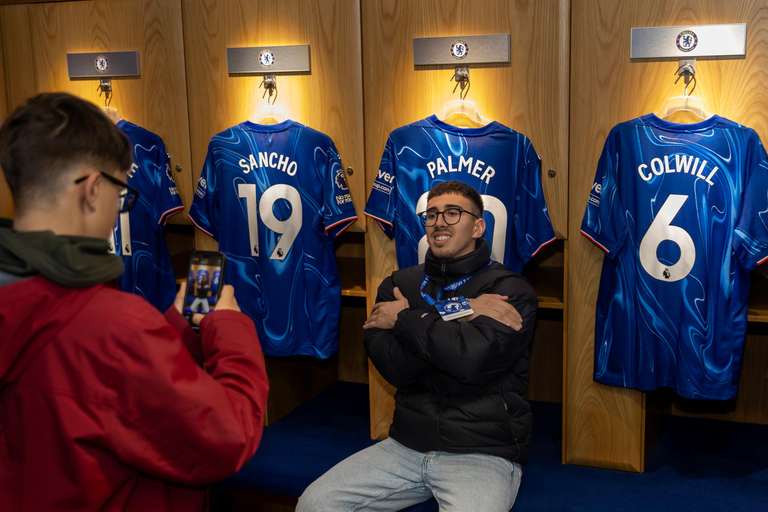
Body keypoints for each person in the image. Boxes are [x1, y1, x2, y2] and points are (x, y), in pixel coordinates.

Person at [0, 92, 269, 511]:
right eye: (121, 193)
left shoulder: (38, 300)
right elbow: (228, 437)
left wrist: (176, 328)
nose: (118, 208)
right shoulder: (113, 326)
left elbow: (91, 384)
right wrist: (229, 327)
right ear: (91, 191)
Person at [298, 180, 538, 511]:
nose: (439, 222)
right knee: (315, 503)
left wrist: (405, 320)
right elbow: (397, 367)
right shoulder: (399, 285)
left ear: (478, 226)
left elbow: (472, 363)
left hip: (482, 449)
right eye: (432, 214)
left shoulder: (509, 290)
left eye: (453, 213)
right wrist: (463, 311)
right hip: (406, 444)